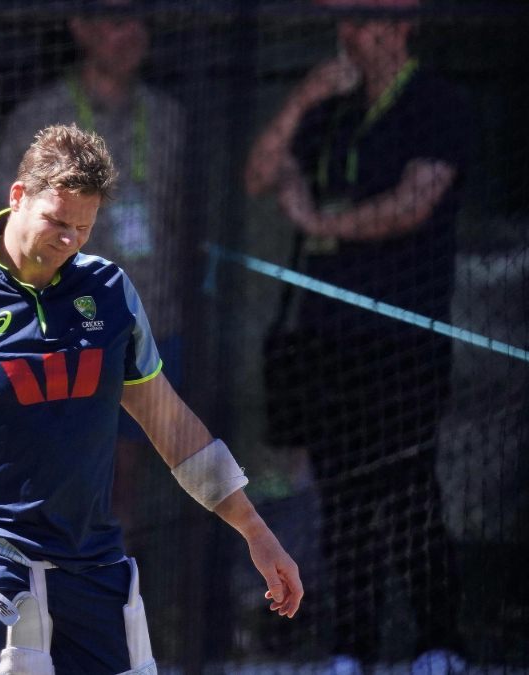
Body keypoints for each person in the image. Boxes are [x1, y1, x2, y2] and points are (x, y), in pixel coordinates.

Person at [0, 124, 303, 674]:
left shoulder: (110, 291)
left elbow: (170, 424)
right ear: (17, 196)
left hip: (96, 569)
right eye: (57, 221)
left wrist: (256, 532)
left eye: (83, 228)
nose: (69, 240)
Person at [243, 0, 468, 671]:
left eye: (365, 19)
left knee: (407, 488)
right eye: (344, 20)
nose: (349, 33)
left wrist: (321, 223)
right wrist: (302, 99)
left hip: (404, 336)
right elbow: (260, 176)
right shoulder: (332, 108)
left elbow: (414, 202)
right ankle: (351, 645)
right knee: (339, 496)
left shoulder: (437, 102)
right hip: (326, 338)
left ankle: (438, 640)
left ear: (402, 26)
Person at [0, 1, 188, 532]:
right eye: (118, 20)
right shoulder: (40, 118)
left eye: (139, 18)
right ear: (81, 28)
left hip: (153, 319)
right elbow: (3, 224)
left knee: (132, 476)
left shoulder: (168, 118)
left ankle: (118, 567)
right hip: (62, 332)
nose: (132, 33)